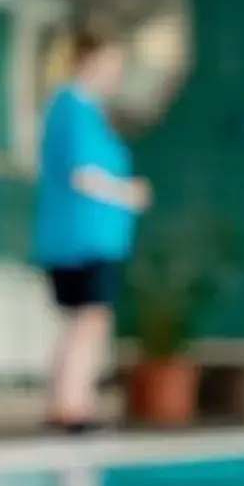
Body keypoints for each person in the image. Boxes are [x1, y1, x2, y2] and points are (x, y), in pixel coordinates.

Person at [31, 27, 151, 434]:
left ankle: (68, 402)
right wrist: (127, 193)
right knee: (90, 319)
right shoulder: (72, 107)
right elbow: (83, 175)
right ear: (89, 62)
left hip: (89, 236)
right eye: (112, 63)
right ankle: (72, 406)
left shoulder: (85, 112)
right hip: (82, 238)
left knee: (81, 320)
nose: (117, 73)